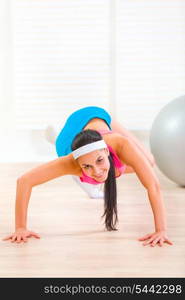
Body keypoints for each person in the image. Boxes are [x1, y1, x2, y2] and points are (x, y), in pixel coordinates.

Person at [3, 106, 173, 247]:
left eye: (100, 161)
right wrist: (20, 227)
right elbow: (24, 181)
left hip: (95, 114)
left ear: (106, 151)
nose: (98, 171)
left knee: (149, 162)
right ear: (79, 164)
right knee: (95, 172)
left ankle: (109, 128)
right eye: (87, 166)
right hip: (69, 138)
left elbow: (153, 186)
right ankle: (55, 137)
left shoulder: (121, 145)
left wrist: (161, 230)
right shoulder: (69, 163)